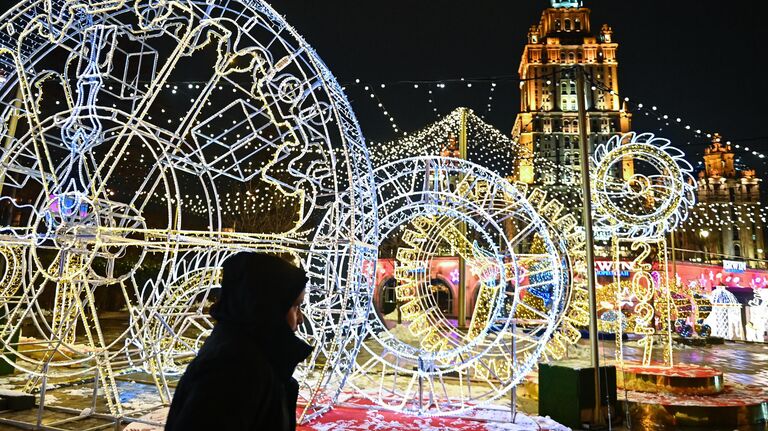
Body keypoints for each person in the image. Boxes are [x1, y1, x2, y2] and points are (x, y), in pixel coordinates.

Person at [165, 252, 312, 431]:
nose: (300, 318)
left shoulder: (254, 358)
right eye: (296, 306)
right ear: (268, 306)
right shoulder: (234, 369)